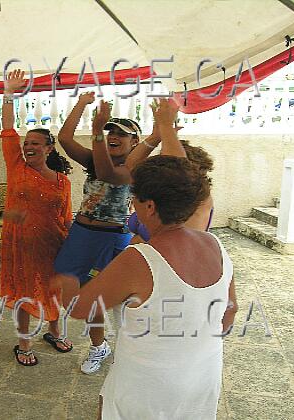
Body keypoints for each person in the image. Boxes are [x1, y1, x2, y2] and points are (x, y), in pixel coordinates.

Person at [52, 151, 237, 419]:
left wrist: (66, 281)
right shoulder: (215, 246)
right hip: (203, 375)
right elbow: (229, 312)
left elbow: (81, 308)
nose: (131, 205)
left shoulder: (139, 259)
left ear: (150, 206)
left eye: (133, 198)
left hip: (149, 381)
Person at [52, 92, 139, 374]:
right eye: (109, 130)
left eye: (122, 134)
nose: (113, 135)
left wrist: (96, 134)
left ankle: (130, 350)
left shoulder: (136, 168)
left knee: (122, 298)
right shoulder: (95, 159)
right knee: (86, 294)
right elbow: (64, 139)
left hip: (115, 238)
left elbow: (111, 174)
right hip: (83, 234)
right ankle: (99, 346)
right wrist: (81, 104)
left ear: (135, 142)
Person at [0, 70, 74, 366]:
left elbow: (65, 217)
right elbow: (7, 129)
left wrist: (79, 244)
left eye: (36, 143)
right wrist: (9, 94)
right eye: (27, 142)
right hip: (20, 245)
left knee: (53, 289)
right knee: (24, 293)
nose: (28, 146)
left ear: (49, 148)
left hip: (53, 244)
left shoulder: (63, 181)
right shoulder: (17, 167)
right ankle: (23, 343)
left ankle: (54, 332)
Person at [125, 105, 215, 240]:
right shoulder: (161, 191)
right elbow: (131, 164)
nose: (162, 166)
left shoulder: (199, 198)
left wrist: (166, 125)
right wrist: (155, 136)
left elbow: (180, 167)